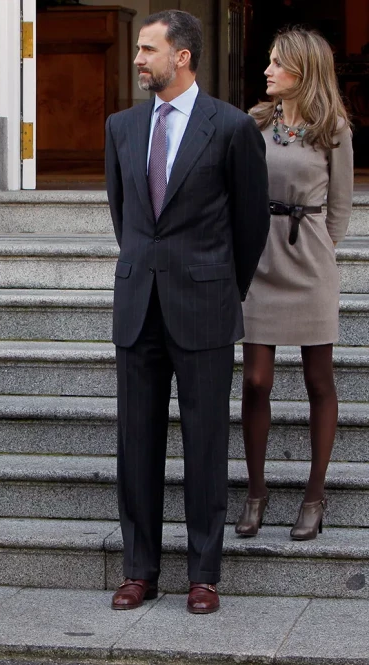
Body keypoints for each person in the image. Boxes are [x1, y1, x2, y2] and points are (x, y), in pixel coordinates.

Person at [105, 10, 270, 614]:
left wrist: (221, 287)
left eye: (148, 49)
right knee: (136, 445)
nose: (137, 59)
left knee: (205, 445)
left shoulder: (229, 127)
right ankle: (138, 571)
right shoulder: (121, 126)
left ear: (182, 56)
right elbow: (124, 214)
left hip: (203, 304)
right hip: (137, 305)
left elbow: (250, 226)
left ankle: (204, 574)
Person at [237, 28, 353, 541]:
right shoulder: (255, 123)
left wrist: (317, 249)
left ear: (304, 71)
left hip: (309, 261)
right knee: (256, 379)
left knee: (318, 380)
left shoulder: (334, 128)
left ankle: (314, 495)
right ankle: (256, 492)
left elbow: (341, 209)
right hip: (260, 259)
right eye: (269, 60)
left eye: (278, 63)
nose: (267, 70)